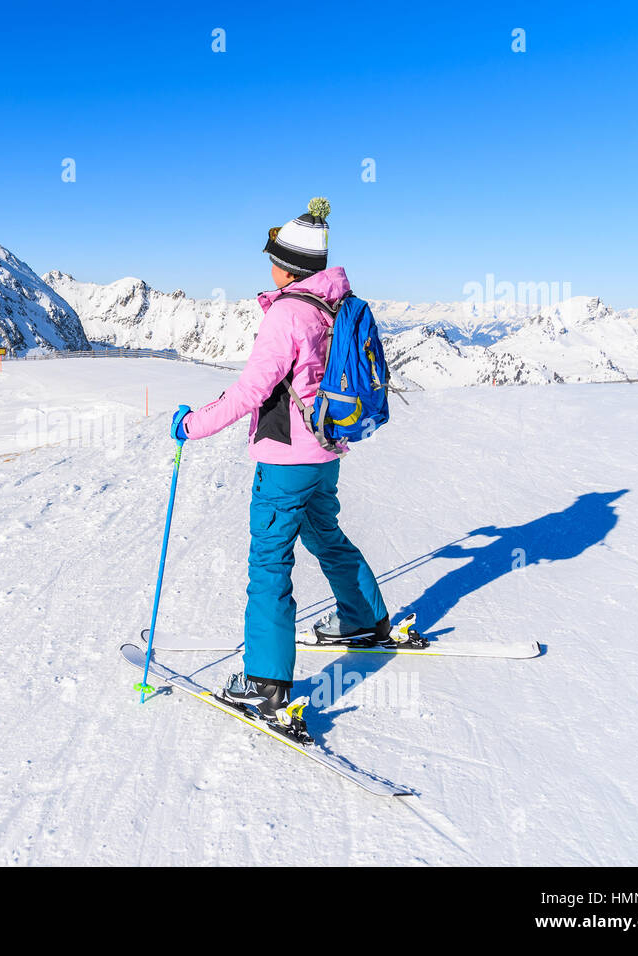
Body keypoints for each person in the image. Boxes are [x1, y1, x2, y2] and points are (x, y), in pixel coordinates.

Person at [170, 198, 389, 742]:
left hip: (286, 458)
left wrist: (192, 425)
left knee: (269, 564)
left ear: (285, 264)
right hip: (326, 453)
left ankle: (266, 684)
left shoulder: (288, 314)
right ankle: (363, 618)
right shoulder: (340, 303)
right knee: (326, 535)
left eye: (272, 256)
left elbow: (251, 391)